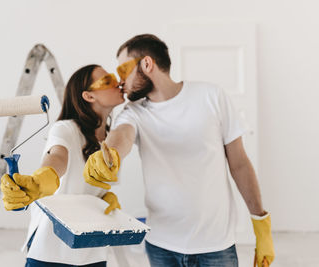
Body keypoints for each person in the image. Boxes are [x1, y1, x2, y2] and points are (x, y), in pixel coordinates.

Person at [83, 34, 275, 267]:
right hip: (161, 246)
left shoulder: (211, 96)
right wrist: (111, 153)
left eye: (123, 70)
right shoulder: (133, 112)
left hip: (216, 246)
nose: (120, 82)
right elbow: (121, 135)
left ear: (146, 64)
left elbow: (240, 164)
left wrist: (261, 224)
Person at [0, 64, 124, 267]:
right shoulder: (65, 128)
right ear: (89, 96)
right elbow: (57, 157)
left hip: (93, 250)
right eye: (108, 80)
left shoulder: (112, 139)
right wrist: (42, 179)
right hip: (51, 251)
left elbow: (94, 185)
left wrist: (103, 198)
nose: (118, 82)